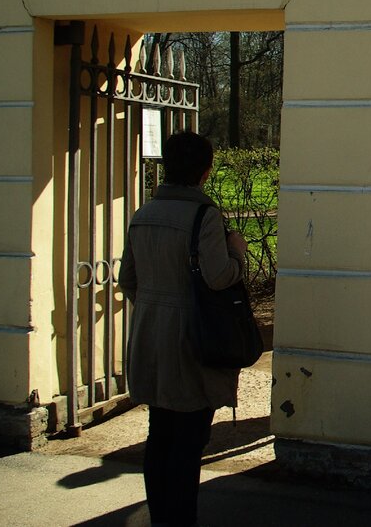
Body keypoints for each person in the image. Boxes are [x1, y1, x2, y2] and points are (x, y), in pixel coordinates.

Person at [118, 131, 248, 527]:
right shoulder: (202, 215)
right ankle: (181, 519)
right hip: (192, 336)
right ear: (206, 171)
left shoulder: (143, 214)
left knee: (160, 433)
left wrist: (156, 305)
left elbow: (127, 279)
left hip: (150, 333)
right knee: (190, 439)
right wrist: (238, 252)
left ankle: (161, 516)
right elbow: (219, 275)